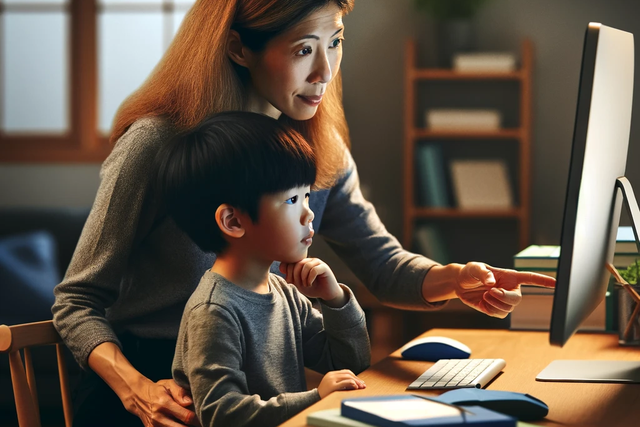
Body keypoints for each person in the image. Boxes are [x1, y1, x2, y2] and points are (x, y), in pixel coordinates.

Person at [52, 1, 555, 426]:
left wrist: (454, 278)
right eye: (302, 50)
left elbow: (381, 264)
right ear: (238, 49)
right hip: (164, 396)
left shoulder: (314, 143)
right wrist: (136, 389)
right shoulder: (159, 143)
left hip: (264, 389)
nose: (325, 71)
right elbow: (76, 301)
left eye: (334, 41)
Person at [157, 111, 370, 427]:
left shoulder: (284, 292)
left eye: (307, 196)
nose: (308, 214)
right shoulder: (214, 311)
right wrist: (316, 397)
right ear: (233, 221)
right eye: (292, 200)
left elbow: (350, 363)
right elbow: (221, 414)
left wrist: (335, 299)